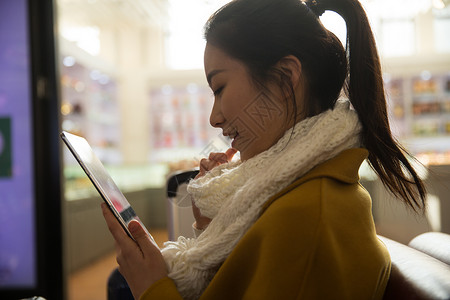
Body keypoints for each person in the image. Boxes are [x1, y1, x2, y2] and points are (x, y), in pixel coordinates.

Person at [102, 0, 427, 299]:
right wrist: (209, 225)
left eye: (220, 88)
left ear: (285, 78)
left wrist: (151, 289)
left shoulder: (304, 219)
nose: (215, 118)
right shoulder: (305, 190)